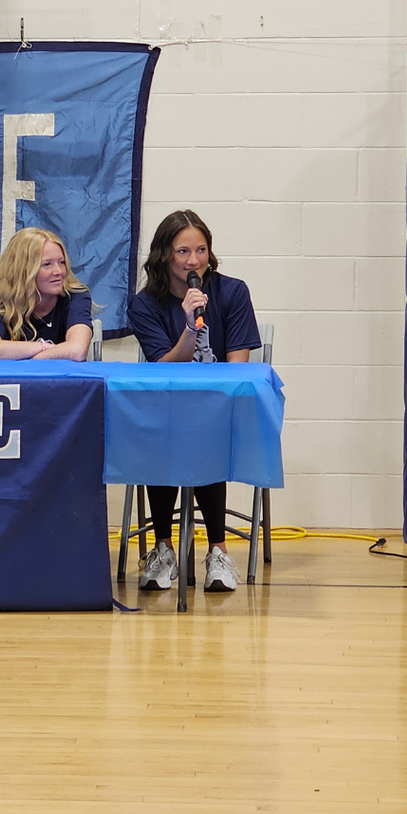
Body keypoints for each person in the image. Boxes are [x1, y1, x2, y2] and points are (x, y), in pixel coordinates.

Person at [127, 209, 260, 593]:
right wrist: (190, 327)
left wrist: (215, 400)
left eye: (201, 250)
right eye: (183, 251)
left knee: (203, 430)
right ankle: (164, 548)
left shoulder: (232, 292)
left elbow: (237, 365)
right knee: (159, 430)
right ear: (165, 255)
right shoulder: (145, 304)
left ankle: (218, 552)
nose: (193, 261)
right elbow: (163, 368)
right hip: (167, 407)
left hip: (218, 407)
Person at [0, 227, 93, 361]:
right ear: (23, 271)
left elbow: (77, 350)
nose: (58, 271)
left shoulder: (76, 297)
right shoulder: (5, 300)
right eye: (47, 264)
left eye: (62, 262)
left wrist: (25, 359)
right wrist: (44, 348)